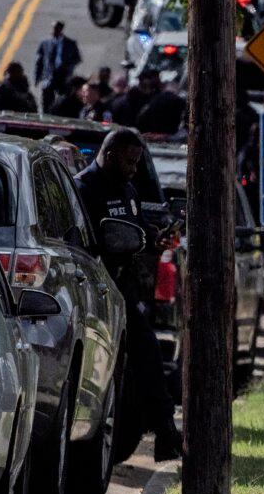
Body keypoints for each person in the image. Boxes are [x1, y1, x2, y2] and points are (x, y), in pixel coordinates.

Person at [75, 130, 183, 461]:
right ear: (109, 156)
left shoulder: (129, 190)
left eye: (137, 162)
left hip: (120, 290)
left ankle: (165, 433)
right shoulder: (83, 188)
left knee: (147, 356)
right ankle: (164, 432)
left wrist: (156, 240)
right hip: (91, 290)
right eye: (130, 161)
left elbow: (135, 232)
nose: (135, 168)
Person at [34, 21, 82, 113]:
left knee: (64, 99)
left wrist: (69, 67)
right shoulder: (45, 42)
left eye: (56, 28)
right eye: (53, 28)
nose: (54, 30)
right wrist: (37, 77)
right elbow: (39, 61)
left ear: (61, 29)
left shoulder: (70, 43)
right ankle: (46, 115)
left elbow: (77, 58)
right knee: (46, 99)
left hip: (63, 75)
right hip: (49, 76)